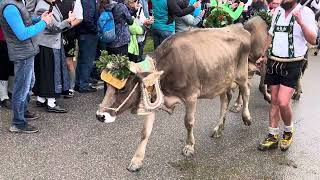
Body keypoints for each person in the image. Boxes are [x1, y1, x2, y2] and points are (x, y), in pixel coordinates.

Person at [257, 0, 317, 151]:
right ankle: (272, 135)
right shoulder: (277, 11)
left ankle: (288, 131)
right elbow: (271, 35)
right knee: (274, 101)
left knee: (283, 102)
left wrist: (301, 22)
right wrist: (263, 55)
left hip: (293, 63)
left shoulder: (305, 12)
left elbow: (313, 39)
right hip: (274, 61)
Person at [0, 0, 53, 133]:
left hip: (27, 51)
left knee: (29, 84)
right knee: (21, 89)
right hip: (22, 54)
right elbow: (22, 34)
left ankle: (22, 111)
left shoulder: (15, 3)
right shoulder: (10, 7)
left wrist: (39, 19)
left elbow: (24, 22)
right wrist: (43, 23)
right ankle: (18, 122)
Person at [33, 0, 76, 113]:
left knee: (45, 73)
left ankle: (41, 99)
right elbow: (53, 28)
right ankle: (51, 103)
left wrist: (67, 22)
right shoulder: (44, 7)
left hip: (48, 44)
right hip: (48, 44)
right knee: (51, 74)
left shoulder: (49, 4)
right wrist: (68, 21)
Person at [56, 0, 83, 97]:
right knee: (56, 61)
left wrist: (68, 25)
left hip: (69, 34)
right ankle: (59, 86)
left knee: (69, 62)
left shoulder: (75, 1)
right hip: (54, 33)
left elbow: (79, 18)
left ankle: (71, 87)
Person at [75, 0, 99, 93]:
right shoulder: (89, 1)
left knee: (81, 60)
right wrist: (95, 30)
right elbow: (87, 19)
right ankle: (83, 85)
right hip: (88, 34)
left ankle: (78, 83)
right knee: (87, 61)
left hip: (83, 33)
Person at [0, 27, 14, 109]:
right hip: (2, 40)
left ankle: (10, 92)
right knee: (3, 70)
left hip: (13, 41)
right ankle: (3, 97)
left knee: (12, 69)